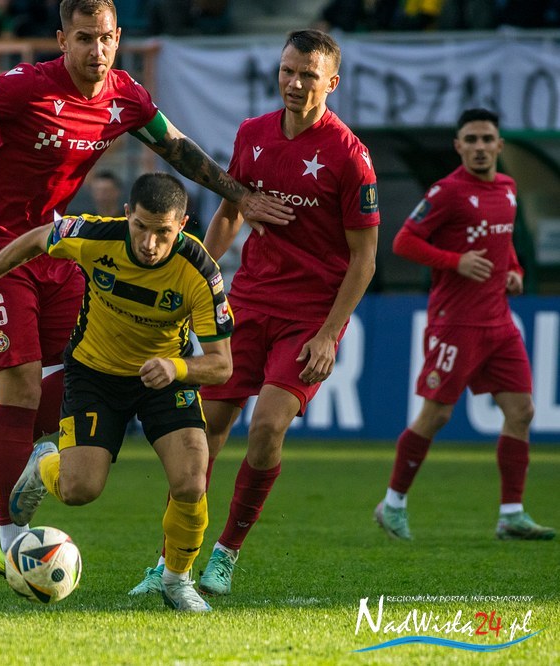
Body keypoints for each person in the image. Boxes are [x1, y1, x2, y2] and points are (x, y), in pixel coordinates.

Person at [0, 0, 292, 578]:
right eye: (83, 38)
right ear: (62, 40)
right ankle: (11, 539)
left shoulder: (126, 97)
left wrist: (240, 195)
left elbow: (179, 150)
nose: (96, 50)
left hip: (55, 247)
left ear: (118, 37)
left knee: (86, 371)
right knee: (21, 385)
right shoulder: (27, 85)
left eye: (104, 38)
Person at [129, 29, 380, 597]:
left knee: (267, 427)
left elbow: (364, 260)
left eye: (309, 75)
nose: (295, 83)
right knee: (204, 434)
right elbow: (228, 215)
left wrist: (329, 335)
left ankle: (226, 552)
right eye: (288, 71)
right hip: (248, 302)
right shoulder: (253, 134)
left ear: (332, 83)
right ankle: (170, 562)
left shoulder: (349, 156)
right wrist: (189, 280)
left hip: (309, 316)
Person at [0, 173, 234, 612]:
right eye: (140, 227)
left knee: (190, 481)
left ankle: (175, 580)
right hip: (94, 376)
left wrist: (177, 367)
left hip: (164, 378)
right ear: (127, 215)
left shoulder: (200, 272)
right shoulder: (94, 236)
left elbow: (222, 365)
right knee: (79, 490)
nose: (149, 243)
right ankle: (43, 464)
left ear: (182, 226)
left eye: (163, 233)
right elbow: (36, 238)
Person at [373, 108, 554, 542]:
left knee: (522, 411)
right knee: (436, 415)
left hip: (499, 322)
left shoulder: (508, 188)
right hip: (455, 323)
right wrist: (456, 261)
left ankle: (511, 514)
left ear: (499, 145)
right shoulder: (447, 192)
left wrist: (515, 271)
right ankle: (392, 504)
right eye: (470, 140)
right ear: (458, 146)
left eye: (486, 139)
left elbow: (503, 242)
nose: (479, 147)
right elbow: (404, 241)